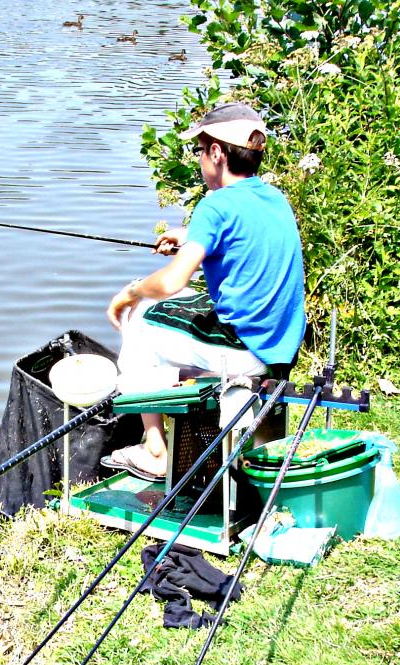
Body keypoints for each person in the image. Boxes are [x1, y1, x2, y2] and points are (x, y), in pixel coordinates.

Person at [101, 102, 306, 481]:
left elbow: (171, 282)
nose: (199, 160)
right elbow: (245, 238)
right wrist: (192, 239)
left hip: (245, 349)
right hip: (280, 345)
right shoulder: (273, 198)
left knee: (141, 316)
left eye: (200, 150)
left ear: (216, 153)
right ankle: (182, 405)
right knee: (175, 310)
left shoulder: (216, 207)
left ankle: (155, 452)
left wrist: (131, 292)